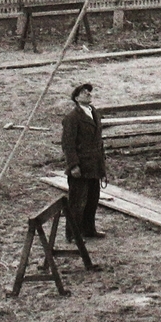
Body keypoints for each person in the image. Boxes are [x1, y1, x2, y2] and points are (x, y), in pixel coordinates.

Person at [61, 82, 106, 240]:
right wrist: (73, 165)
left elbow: (99, 142)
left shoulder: (94, 113)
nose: (88, 94)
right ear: (76, 98)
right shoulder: (72, 118)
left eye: (89, 92)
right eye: (84, 92)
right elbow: (68, 144)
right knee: (77, 202)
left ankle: (89, 230)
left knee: (92, 200)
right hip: (81, 167)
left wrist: (102, 166)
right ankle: (72, 234)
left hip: (94, 165)